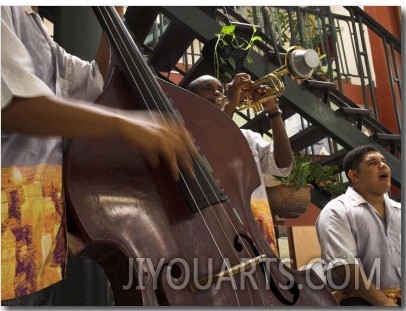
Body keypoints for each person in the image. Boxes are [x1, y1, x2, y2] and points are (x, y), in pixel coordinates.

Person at [1, 6, 197, 305]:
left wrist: (113, 14)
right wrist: (125, 125)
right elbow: (14, 105)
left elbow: (94, 82)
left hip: (34, 252)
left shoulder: (35, 26)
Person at [187, 73, 294, 256]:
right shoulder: (188, 134)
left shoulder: (248, 137)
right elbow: (213, 146)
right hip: (217, 232)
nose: (217, 92)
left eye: (220, 88)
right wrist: (231, 102)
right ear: (190, 100)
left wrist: (273, 109)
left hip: (259, 229)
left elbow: (283, 164)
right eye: (208, 88)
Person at [316, 144, 401, 306]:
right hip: (362, 302)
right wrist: (386, 305)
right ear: (354, 175)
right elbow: (344, 268)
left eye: (383, 161)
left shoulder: (400, 211)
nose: (383, 165)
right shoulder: (337, 211)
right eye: (372, 163)